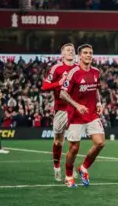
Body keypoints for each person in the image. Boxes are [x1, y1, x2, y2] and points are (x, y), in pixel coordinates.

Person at [60, 44, 104, 188]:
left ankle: (83, 168)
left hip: (91, 115)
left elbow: (95, 90)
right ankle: (68, 175)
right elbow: (63, 93)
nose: (88, 55)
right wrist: (77, 105)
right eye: (85, 53)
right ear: (79, 56)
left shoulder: (96, 72)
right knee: (74, 148)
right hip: (76, 116)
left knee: (100, 143)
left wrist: (98, 103)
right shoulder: (73, 73)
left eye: (90, 53)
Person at [42, 43, 76, 182]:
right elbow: (44, 86)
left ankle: (70, 166)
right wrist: (58, 83)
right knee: (58, 141)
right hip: (61, 109)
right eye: (67, 50)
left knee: (74, 141)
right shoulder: (56, 68)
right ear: (62, 54)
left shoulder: (79, 68)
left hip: (75, 109)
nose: (70, 52)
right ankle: (57, 167)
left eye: (72, 50)